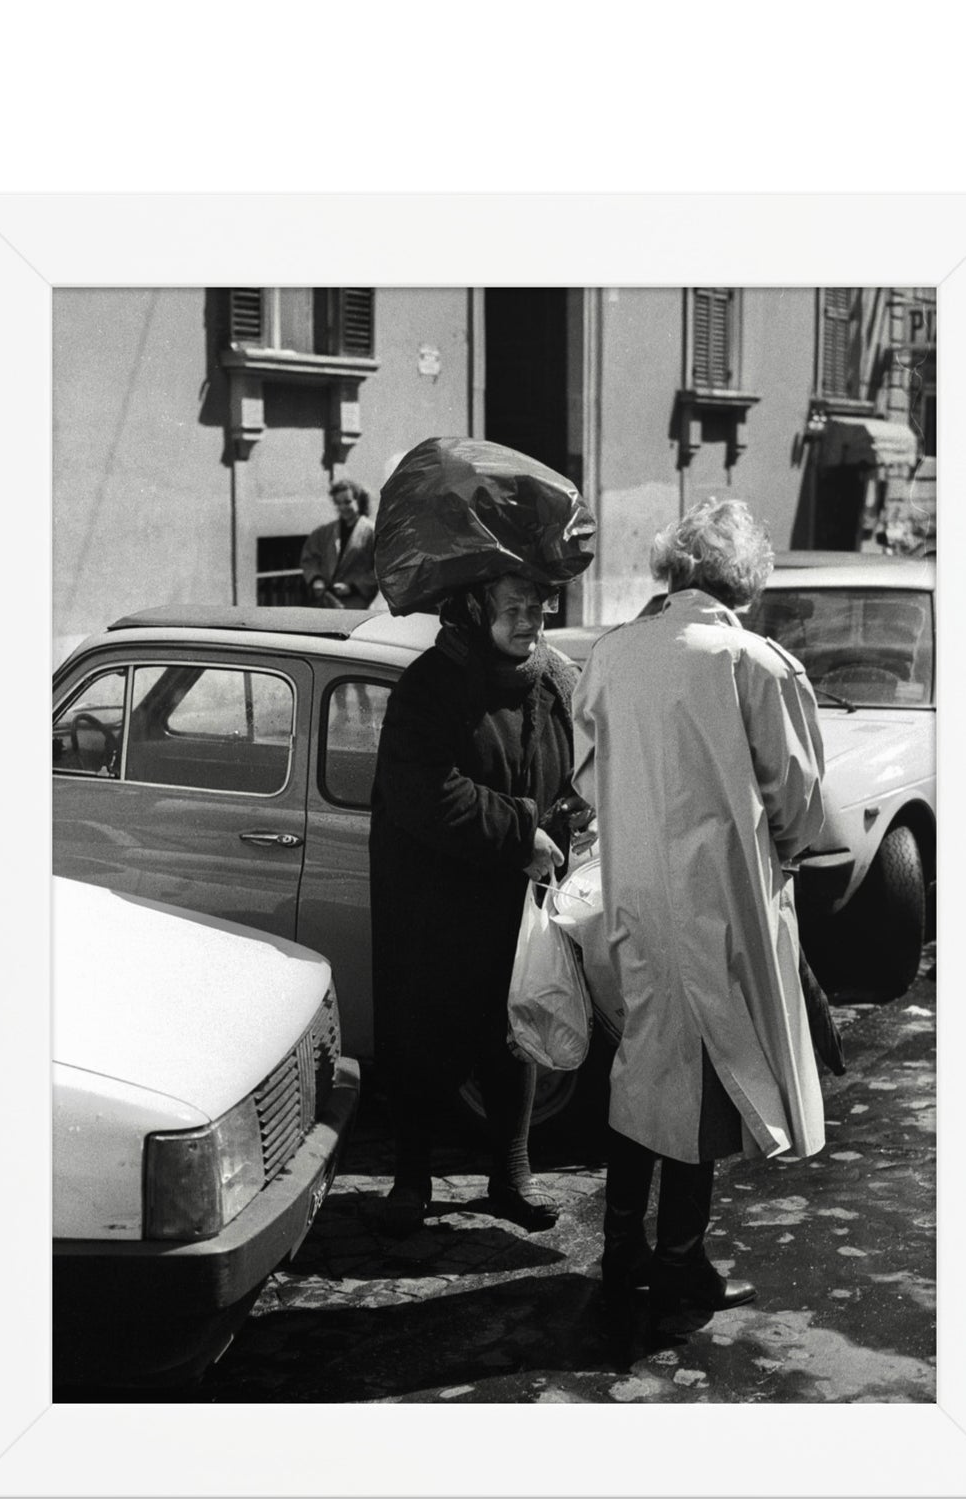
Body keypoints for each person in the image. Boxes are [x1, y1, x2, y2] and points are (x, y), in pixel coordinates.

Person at [572, 497, 831, 1312]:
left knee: (645, 1064)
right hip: (722, 894)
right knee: (708, 1077)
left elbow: (588, 774)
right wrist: (775, 853)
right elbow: (798, 801)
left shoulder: (613, 653)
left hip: (636, 891)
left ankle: (623, 1249)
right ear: (742, 579)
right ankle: (681, 1260)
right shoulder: (752, 663)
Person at [368, 572, 587, 1236]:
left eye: (537, 607)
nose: (530, 621)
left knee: (514, 1030)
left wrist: (569, 817)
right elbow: (424, 790)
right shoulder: (429, 686)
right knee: (423, 1039)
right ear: (473, 610)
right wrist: (522, 832)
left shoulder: (553, 683)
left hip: (514, 902)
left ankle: (512, 1174)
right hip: (433, 903)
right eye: (513, 608)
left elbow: (575, 775)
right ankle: (411, 1179)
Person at [299, 475, 379, 608]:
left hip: (357, 604)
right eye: (338, 503)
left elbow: (382, 569)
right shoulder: (325, 531)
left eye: (347, 502)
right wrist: (316, 579)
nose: (343, 507)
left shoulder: (372, 532)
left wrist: (353, 587)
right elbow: (309, 558)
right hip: (327, 601)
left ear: (358, 501)